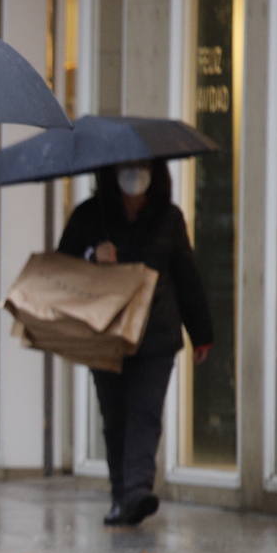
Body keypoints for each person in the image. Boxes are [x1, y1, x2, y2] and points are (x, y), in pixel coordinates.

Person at [57, 159, 213, 526]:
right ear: (110, 173)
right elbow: (60, 267)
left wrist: (202, 333)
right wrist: (93, 256)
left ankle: (137, 491)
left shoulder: (169, 218)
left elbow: (186, 275)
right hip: (105, 333)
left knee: (145, 411)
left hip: (156, 333)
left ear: (155, 173)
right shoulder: (90, 216)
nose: (134, 174)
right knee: (115, 415)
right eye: (126, 167)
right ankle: (120, 496)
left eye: (142, 166)